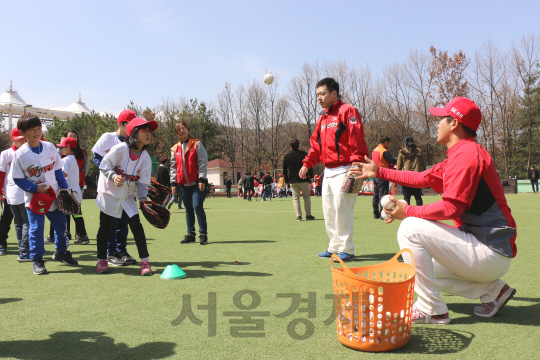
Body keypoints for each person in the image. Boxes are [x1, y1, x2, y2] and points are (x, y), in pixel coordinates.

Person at [352, 96, 517, 324]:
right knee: (415, 271)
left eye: (441, 118)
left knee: (410, 228)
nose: (437, 123)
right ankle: (494, 291)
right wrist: (379, 172)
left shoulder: (468, 155)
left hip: (489, 251)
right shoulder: (460, 153)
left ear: (454, 123)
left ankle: (431, 308)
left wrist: (406, 211)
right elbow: (421, 177)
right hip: (485, 250)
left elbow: (451, 208)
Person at [299, 78, 369, 262]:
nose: (319, 98)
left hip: (346, 168)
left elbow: (357, 140)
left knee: (342, 209)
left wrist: (356, 165)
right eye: (317, 95)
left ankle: (348, 249)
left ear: (334, 94)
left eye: (322, 94)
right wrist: (307, 164)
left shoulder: (348, 111)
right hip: (328, 171)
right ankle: (334, 247)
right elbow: (316, 145)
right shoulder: (322, 118)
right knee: (329, 210)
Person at [12, 113, 78, 274]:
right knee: (36, 230)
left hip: (54, 196)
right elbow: (17, 179)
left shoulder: (49, 147)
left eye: (39, 127)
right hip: (35, 199)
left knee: (62, 226)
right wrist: (34, 189)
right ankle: (37, 260)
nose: (37, 131)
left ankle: (61, 252)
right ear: (22, 132)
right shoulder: (20, 154)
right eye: (32, 129)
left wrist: (64, 190)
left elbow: (58, 172)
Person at [95, 118, 157, 275]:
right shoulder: (120, 149)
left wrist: (143, 202)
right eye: (145, 130)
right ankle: (101, 260)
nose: (149, 133)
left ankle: (145, 262)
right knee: (105, 227)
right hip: (109, 193)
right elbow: (104, 164)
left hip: (128, 195)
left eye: (150, 131)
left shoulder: (145, 158)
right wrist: (113, 175)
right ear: (134, 133)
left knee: (136, 226)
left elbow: (143, 183)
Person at [92, 110, 137, 266]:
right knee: (110, 223)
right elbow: (96, 158)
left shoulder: (133, 142)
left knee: (124, 223)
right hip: (109, 189)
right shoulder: (107, 138)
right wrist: (111, 173)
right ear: (120, 124)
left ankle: (121, 250)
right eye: (129, 124)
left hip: (126, 190)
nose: (133, 128)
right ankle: (111, 253)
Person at [170, 121, 209, 245]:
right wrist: (173, 183)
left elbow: (203, 161)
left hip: (197, 182)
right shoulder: (174, 148)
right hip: (182, 184)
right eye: (179, 129)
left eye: (184, 128)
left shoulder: (197, 144)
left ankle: (203, 234)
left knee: (197, 207)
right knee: (188, 209)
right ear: (177, 133)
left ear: (187, 128)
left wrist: (202, 179)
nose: (182, 130)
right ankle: (191, 234)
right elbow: (173, 167)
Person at [0, 128, 28, 259]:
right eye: (19, 140)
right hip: (8, 193)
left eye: (23, 139)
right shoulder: (6, 153)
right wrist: (1, 192)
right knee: (5, 221)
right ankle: (2, 244)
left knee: (22, 222)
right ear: (12, 139)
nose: (22, 141)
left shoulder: (27, 152)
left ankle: (22, 247)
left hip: (24, 194)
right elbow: (1, 174)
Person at [56, 137, 88, 245]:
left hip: (67, 193)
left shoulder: (65, 160)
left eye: (62, 147)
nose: (61, 149)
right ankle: (83, 236)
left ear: (68, 148)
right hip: (75, 192)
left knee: (65, 216)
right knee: (77, 215)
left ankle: (66, 236)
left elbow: (64, 173)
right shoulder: (73, 158)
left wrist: (53, 172)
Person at [284, 139, 314, 221]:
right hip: (304, 178)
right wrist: (311, 177)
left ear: (290, 147)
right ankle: (308, 215)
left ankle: (299, 216)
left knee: (295, 198)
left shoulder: (286, 156)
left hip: (293, 180)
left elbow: (284, 170)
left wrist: (286, 181)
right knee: (307, 197)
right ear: (298, 145)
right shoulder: (304, 154)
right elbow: (309, 165)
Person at [372, 135, 397, 219]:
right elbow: (391, 160)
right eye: (389, 143)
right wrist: (400, 159)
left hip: (375, 175)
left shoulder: (375, 150)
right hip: (382, 175)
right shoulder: (384, 151)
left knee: (376, 195)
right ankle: (383, 214)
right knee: (383, 195)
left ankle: (376, 213)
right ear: (386, 142)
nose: (389, 145)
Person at [396, 136, 425, 206]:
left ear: (405, 144)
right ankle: (420, 214)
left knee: (406, 197)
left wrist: (397, 177)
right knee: (418, 197)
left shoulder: (402, 152)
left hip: (406, 177)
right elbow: (423, 164)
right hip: (417, 177)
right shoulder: (419, 151)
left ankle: (407, 214)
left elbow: (399, 166)